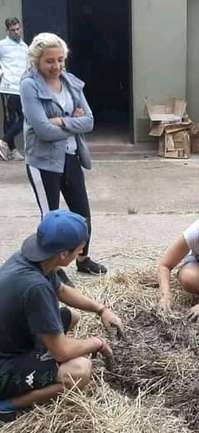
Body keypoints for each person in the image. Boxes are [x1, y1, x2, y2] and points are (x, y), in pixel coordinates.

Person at [0, 210, 122, 423]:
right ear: (63, 255)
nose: (82, 250)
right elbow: (63, 351)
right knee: (80, 370)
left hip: (13, 341)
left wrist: (101, 309)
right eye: (79, 248)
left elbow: (62, 290)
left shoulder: (33, 260)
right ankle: (7, 405)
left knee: (71, 316)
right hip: (4, 365)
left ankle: (37, 362)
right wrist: (97, 343)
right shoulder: (36, 287)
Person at [20, 32, 106, 277]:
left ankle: (83, 258)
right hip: (43, 161)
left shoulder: (70, 82)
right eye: (50, 61)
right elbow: (43, 131)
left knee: (82, 214)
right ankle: (50, 268)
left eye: (60, 60)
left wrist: (61, 122)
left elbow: (89, 121)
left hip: (71, 156)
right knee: (51, 220)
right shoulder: (29, 85)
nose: (56, 66)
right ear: (37, 61)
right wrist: (71, 121)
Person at [0, 17, 27, 161]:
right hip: (7, 87)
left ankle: (4, 142)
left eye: (18, 29)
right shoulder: (2, 45)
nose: (16, 32)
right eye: (13, 30)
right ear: (7, 31)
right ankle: (12, 150)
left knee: (25, 117)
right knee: (9, 120)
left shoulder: (24, 47)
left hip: (22, 87)